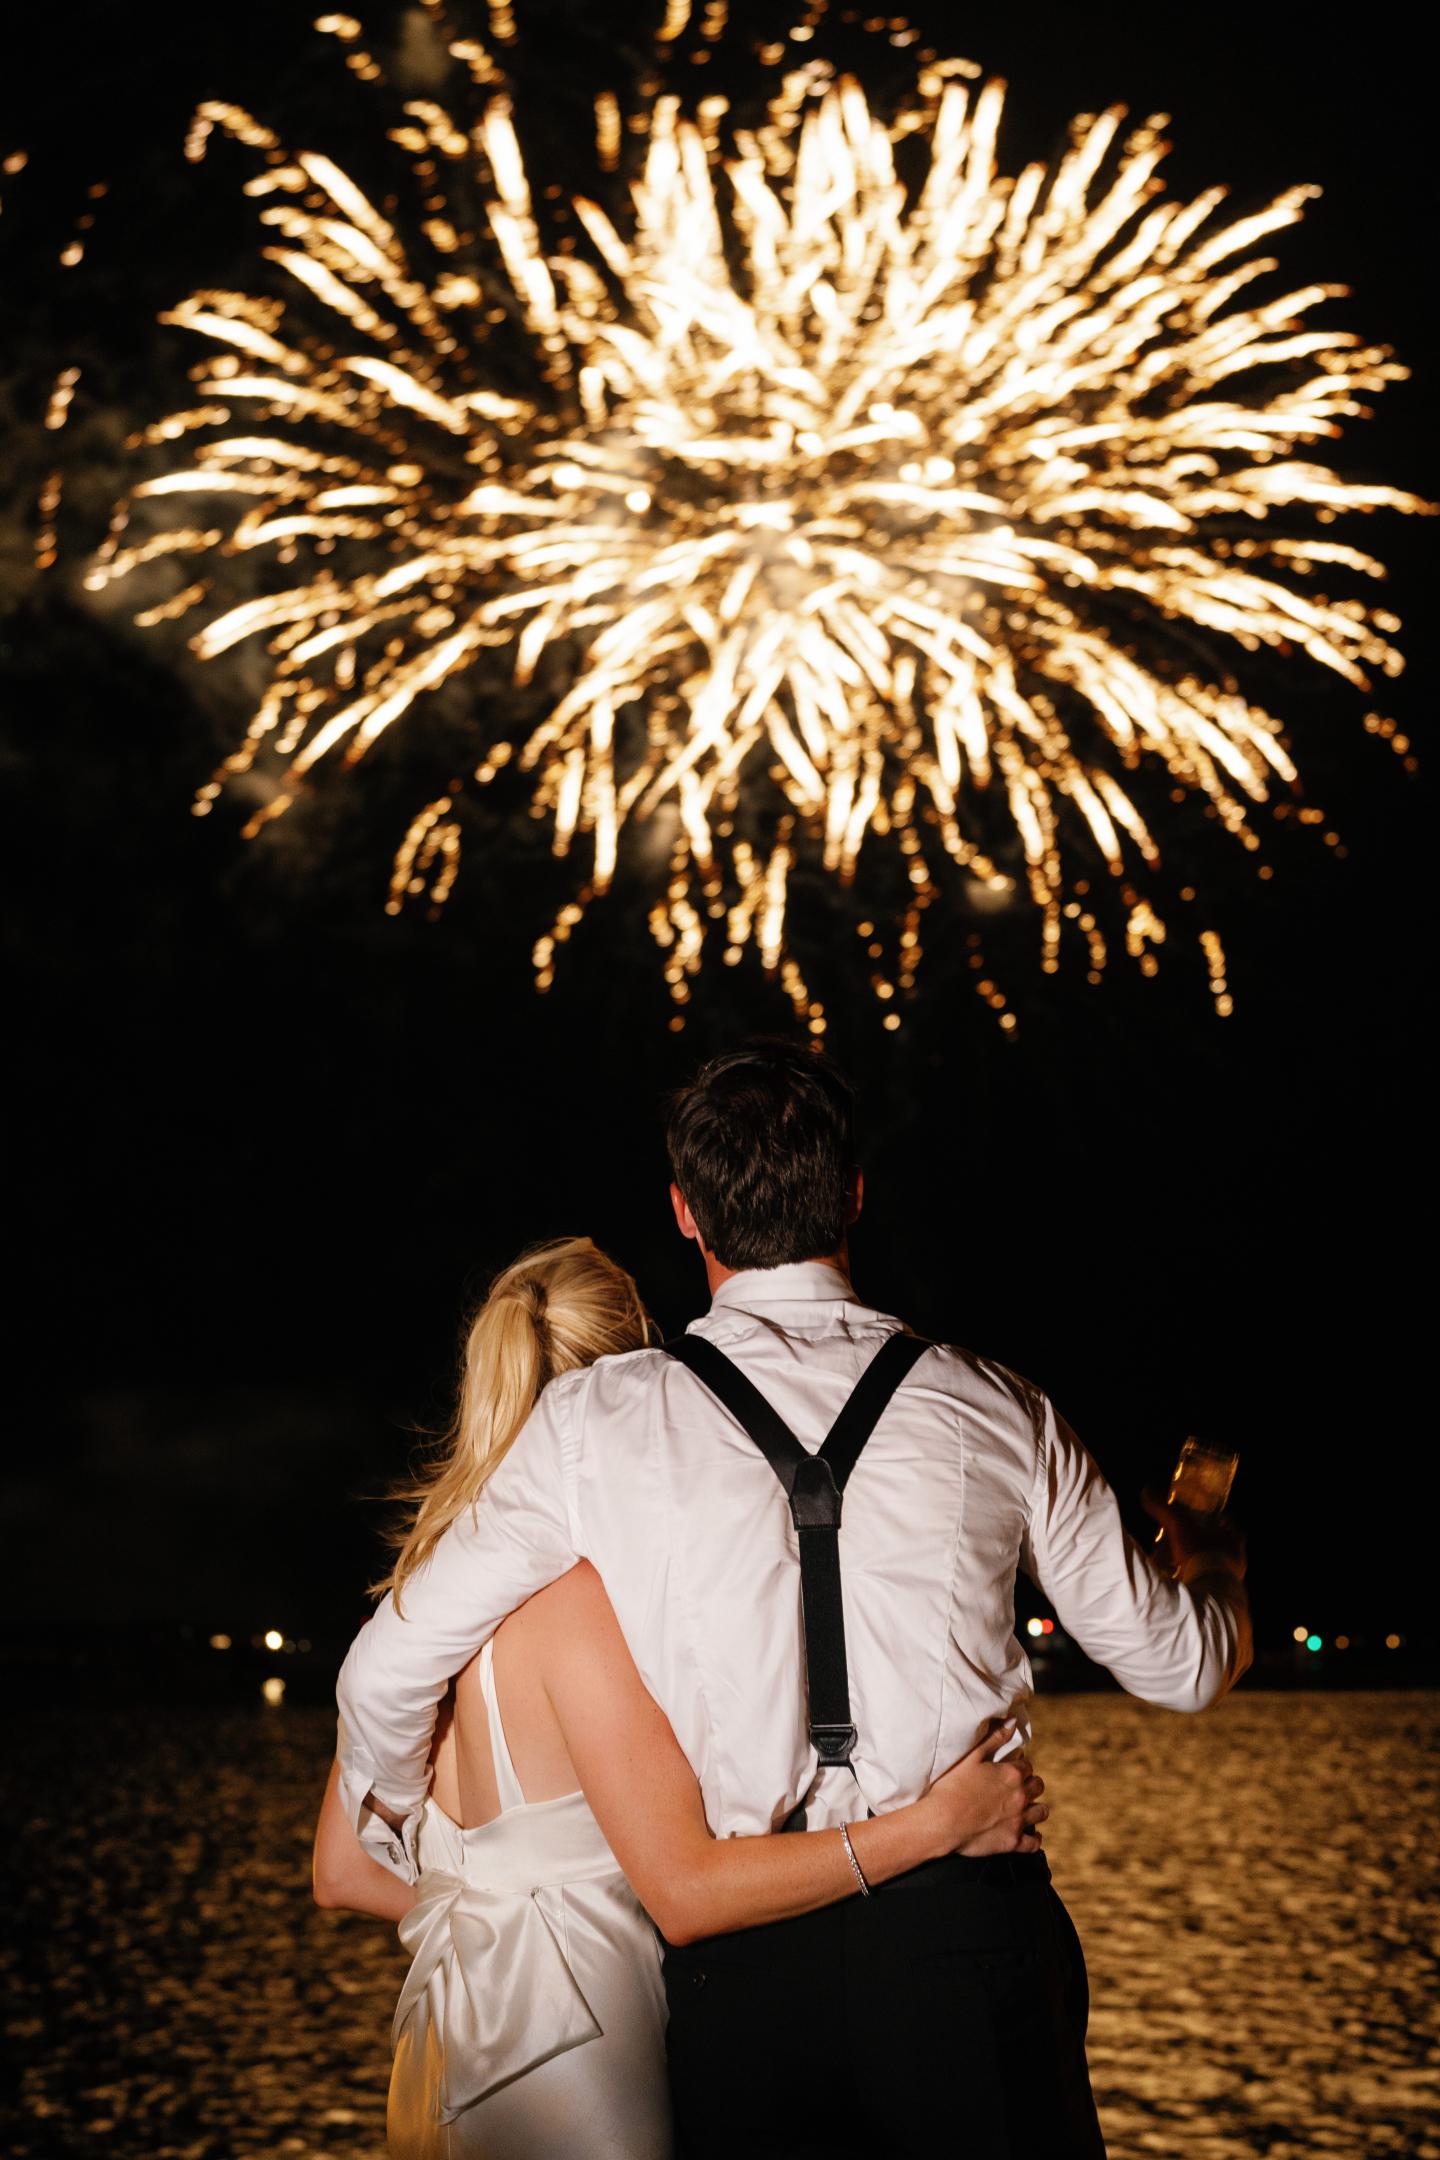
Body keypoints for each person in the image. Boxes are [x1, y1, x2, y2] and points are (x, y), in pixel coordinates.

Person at [336, 1043, 1251, 2160]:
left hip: (745, 1974)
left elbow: (384, 1669)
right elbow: (1185, 1668)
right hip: (965, 1943)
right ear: (855, 1192)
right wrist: (1215, 1568)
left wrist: (408, 1846)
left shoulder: (594, 1427)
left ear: (684, 1211)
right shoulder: (997, 1406)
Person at [313, 1236, 1049, 2160]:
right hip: (580, 2050)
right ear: (627, 1385)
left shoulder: (424, 1602)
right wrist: (939, 1823)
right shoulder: (581, 1607)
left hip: (453, 2049)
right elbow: (689, 1888)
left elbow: (340, 1873)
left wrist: (497, 1909)